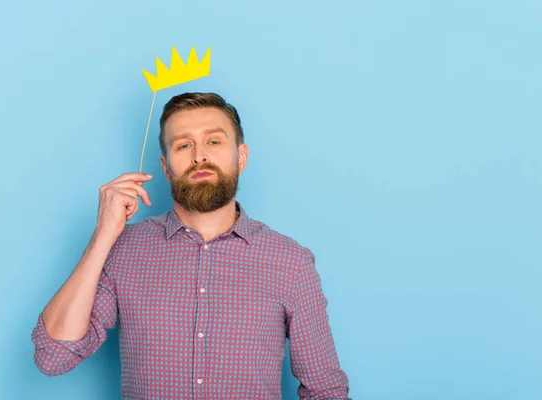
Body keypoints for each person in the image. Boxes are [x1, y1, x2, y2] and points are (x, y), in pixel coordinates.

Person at [31, 92, 351, 399]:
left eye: (213, 141)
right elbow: (54, 357)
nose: (200, 155)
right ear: (166, 167)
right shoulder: (124, 250)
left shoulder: (290, 262)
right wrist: (103, 236)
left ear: (241, 157)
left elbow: (325, 392)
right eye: (184, 145)